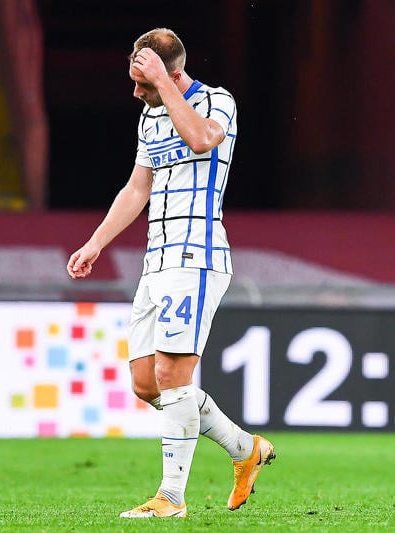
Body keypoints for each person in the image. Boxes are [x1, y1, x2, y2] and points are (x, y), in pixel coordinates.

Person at [66, 28, 275, 518]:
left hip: (197, 256)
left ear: (172, 73)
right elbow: (137, 187)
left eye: (146, 82)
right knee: (146, 383)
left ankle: (171, 498)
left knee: (173, 376)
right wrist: (96, 242)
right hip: (155, 260)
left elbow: (202, 139)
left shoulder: (218, 102)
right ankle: (245, 449)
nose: (137, 92)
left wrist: (165, 83)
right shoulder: (149, 116)